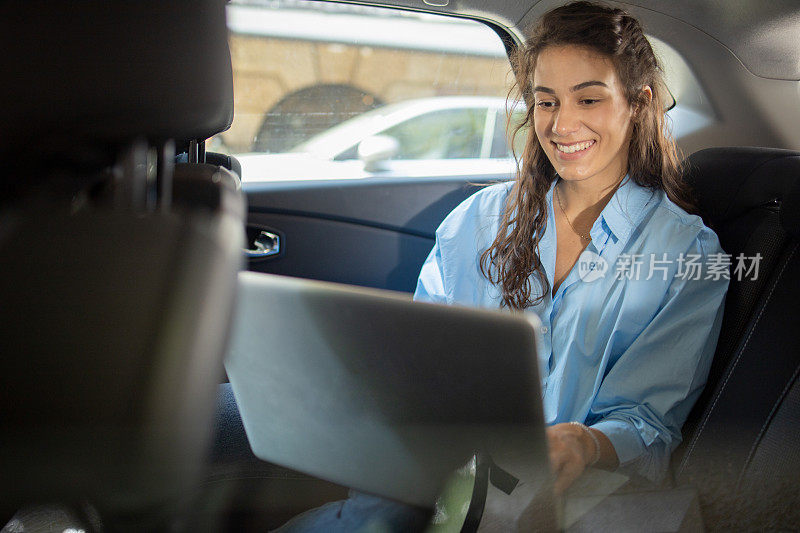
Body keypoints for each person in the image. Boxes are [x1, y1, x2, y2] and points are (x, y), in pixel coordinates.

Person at [277, 1, 728, 529]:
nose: (562, 124)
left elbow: (649, 423)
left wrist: (583, 443)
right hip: (441, 480)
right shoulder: (477, 221)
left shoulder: (687, 254)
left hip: (574, 504)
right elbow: (421, 359)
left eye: (589, 98)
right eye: (545, 102)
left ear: (637, 103)